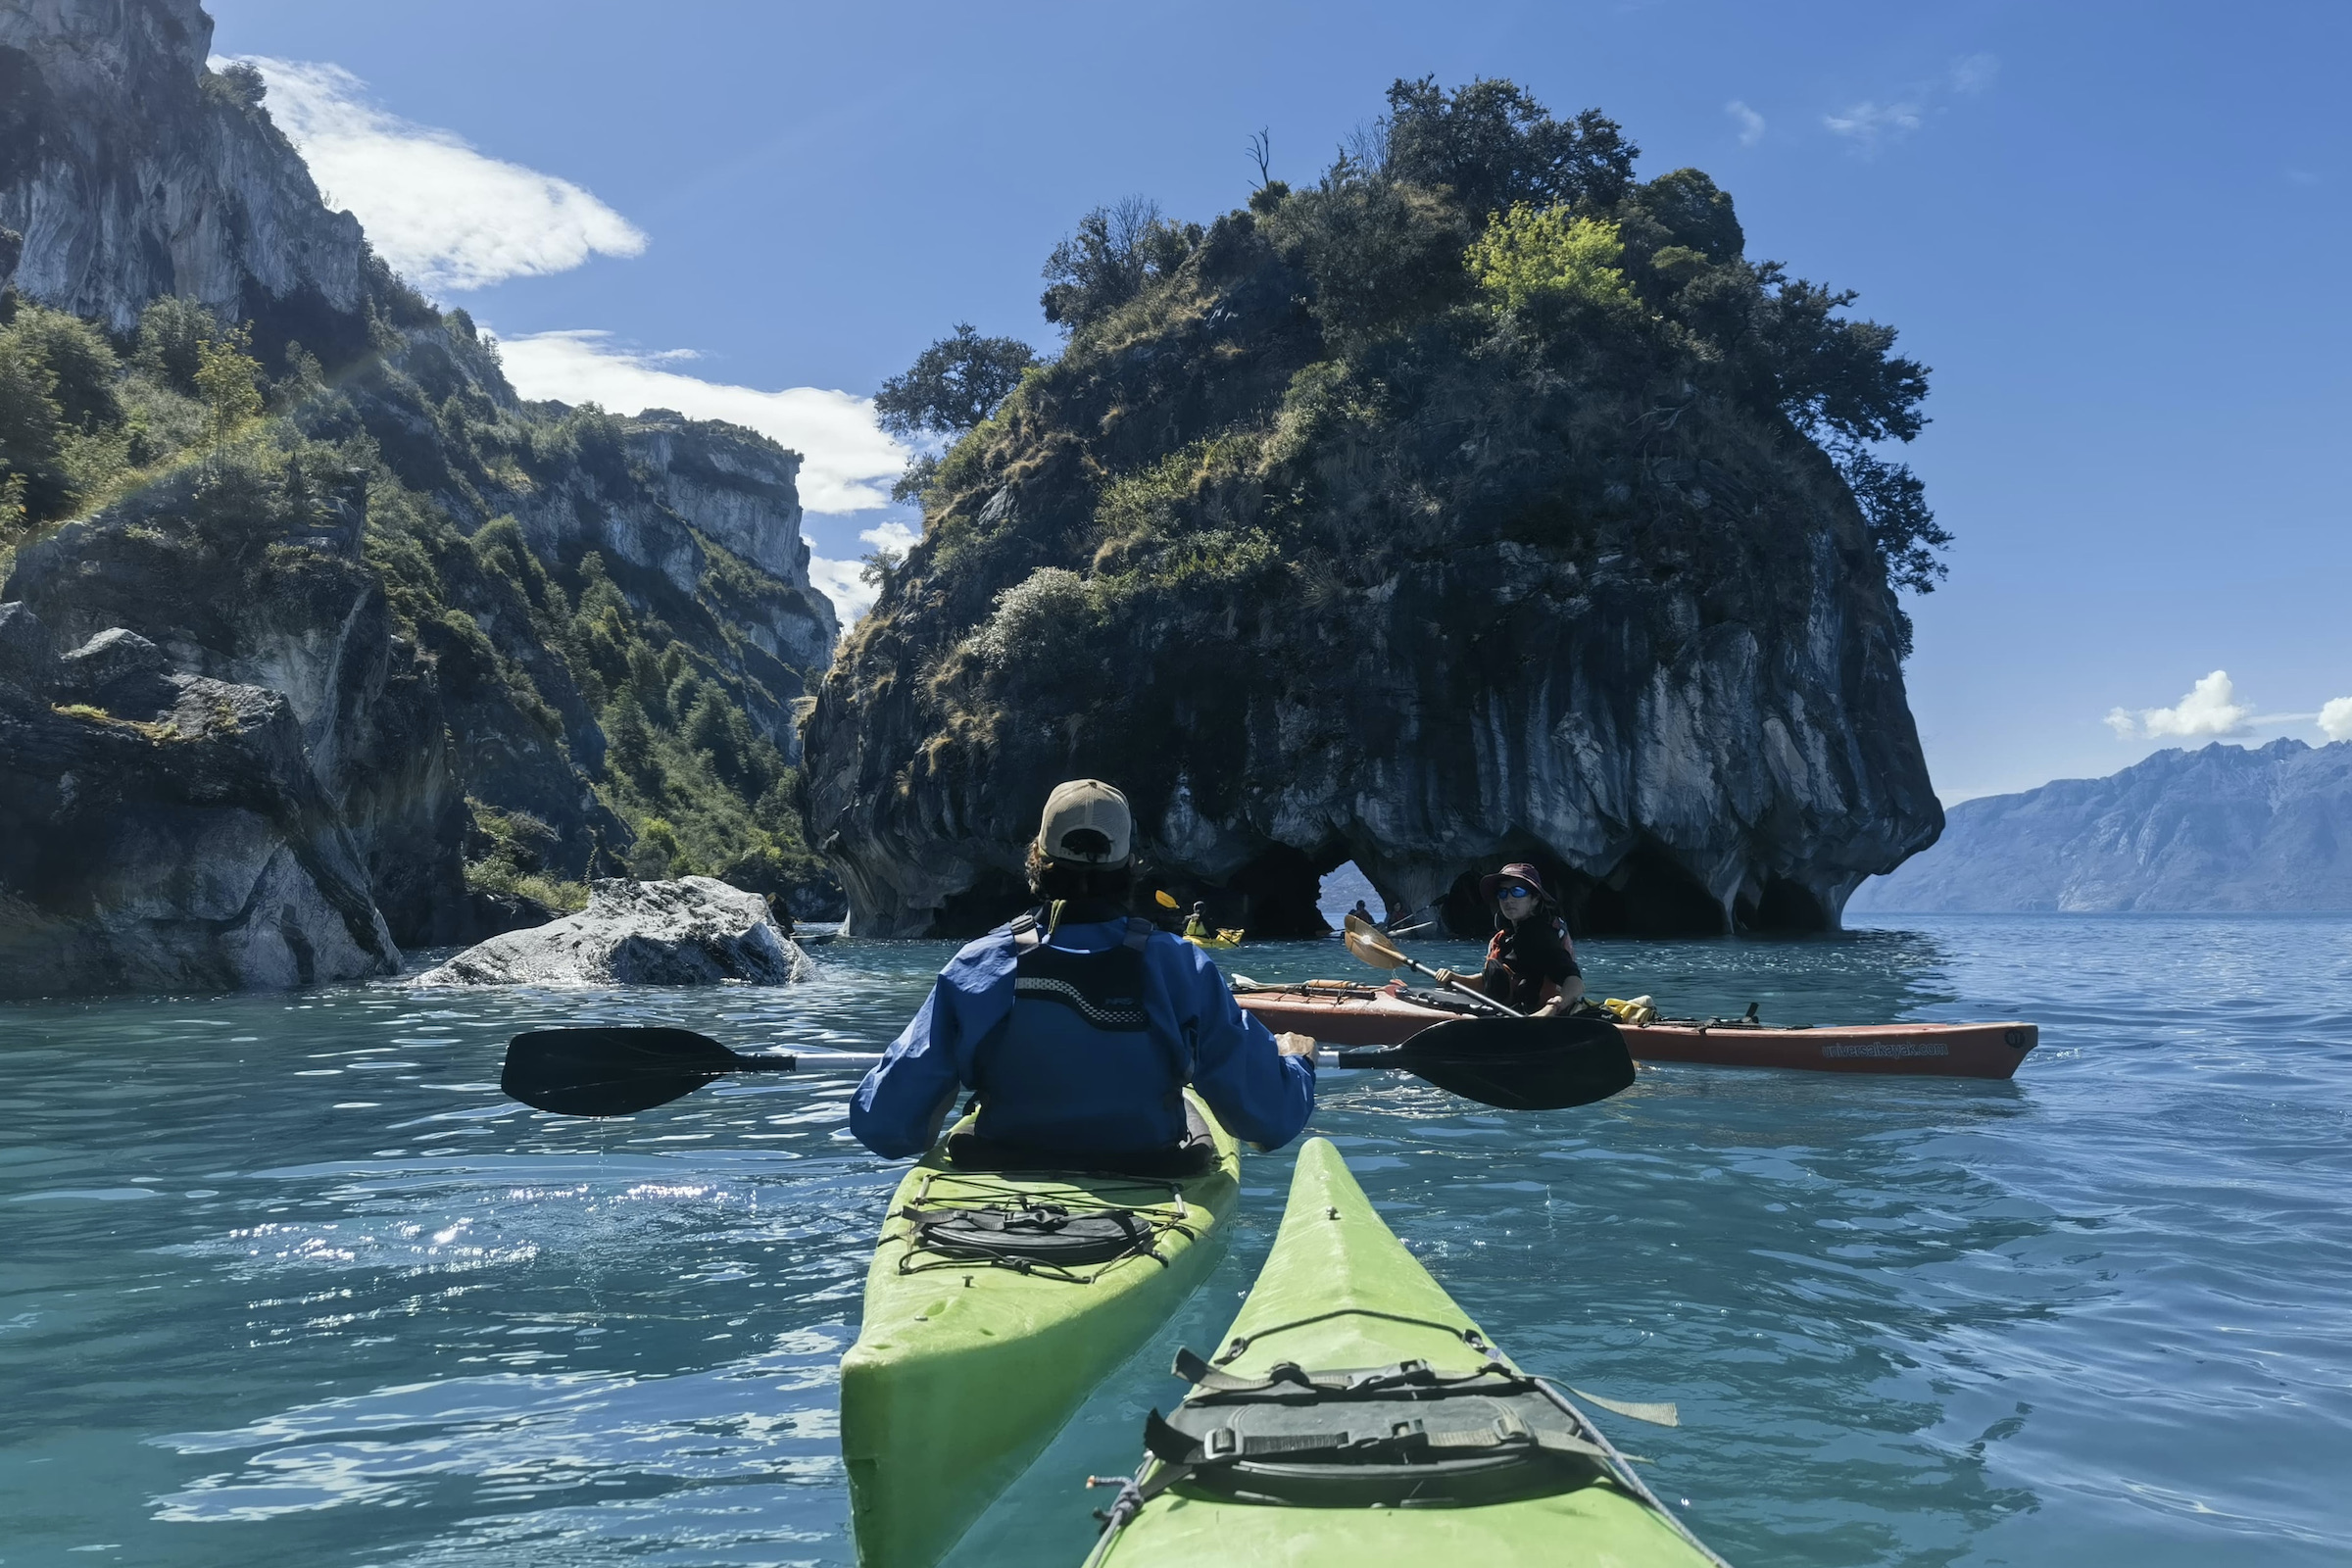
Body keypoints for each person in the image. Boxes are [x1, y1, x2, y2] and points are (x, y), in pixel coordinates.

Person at [850, 779, 1316, 1168]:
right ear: (1130, 867)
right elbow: (1268, 1124)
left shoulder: (976, 965)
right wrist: (1297, 1062)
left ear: (1037, 859)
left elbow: (886, 1129)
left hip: (1003, 1168)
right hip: (1149, 1172)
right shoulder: (1182, 966)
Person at [1436, 861, 1584, 1017]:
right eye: (1503, 893)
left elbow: (1575, 981)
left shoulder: (1543, 936)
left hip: (1544, 1018)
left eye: (1517, 891)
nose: (1508, 899)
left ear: (1535, 899)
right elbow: (1495, 981)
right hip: (1512, 1013)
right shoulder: (1505, 937)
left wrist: (1551, 1008)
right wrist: (1456, 979)